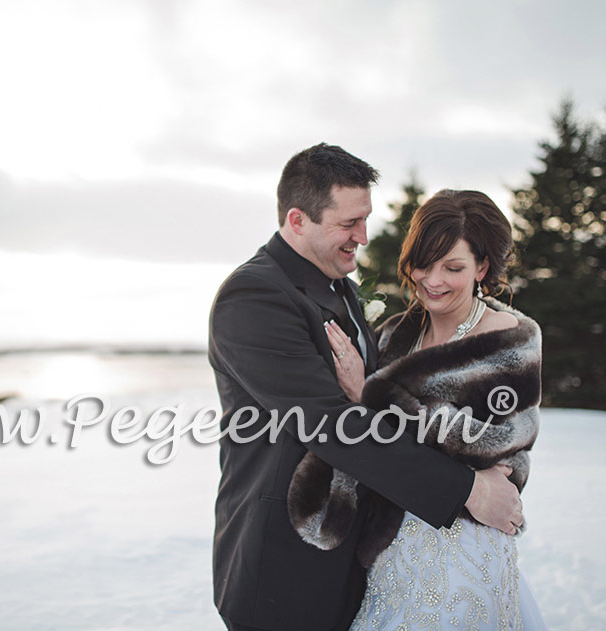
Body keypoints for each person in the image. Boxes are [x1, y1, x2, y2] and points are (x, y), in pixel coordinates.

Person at [208, 145, 524, 631]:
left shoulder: (340, 285)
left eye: (366, 218)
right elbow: (331, 425)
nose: (363, 235)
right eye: (349, 223)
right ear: (298, 220)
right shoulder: (255, 297)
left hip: (358, 556)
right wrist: (467, 490)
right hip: (285, 563)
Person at [308, 189, 546, 629]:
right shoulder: (393, 334)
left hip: (464, 548)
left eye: (452, 268)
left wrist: (371, 395)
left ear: (482, 268)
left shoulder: (508, 340)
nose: (433, 281)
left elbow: (496, 447)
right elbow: (368, 440)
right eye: (423, 264)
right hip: (388, 547)